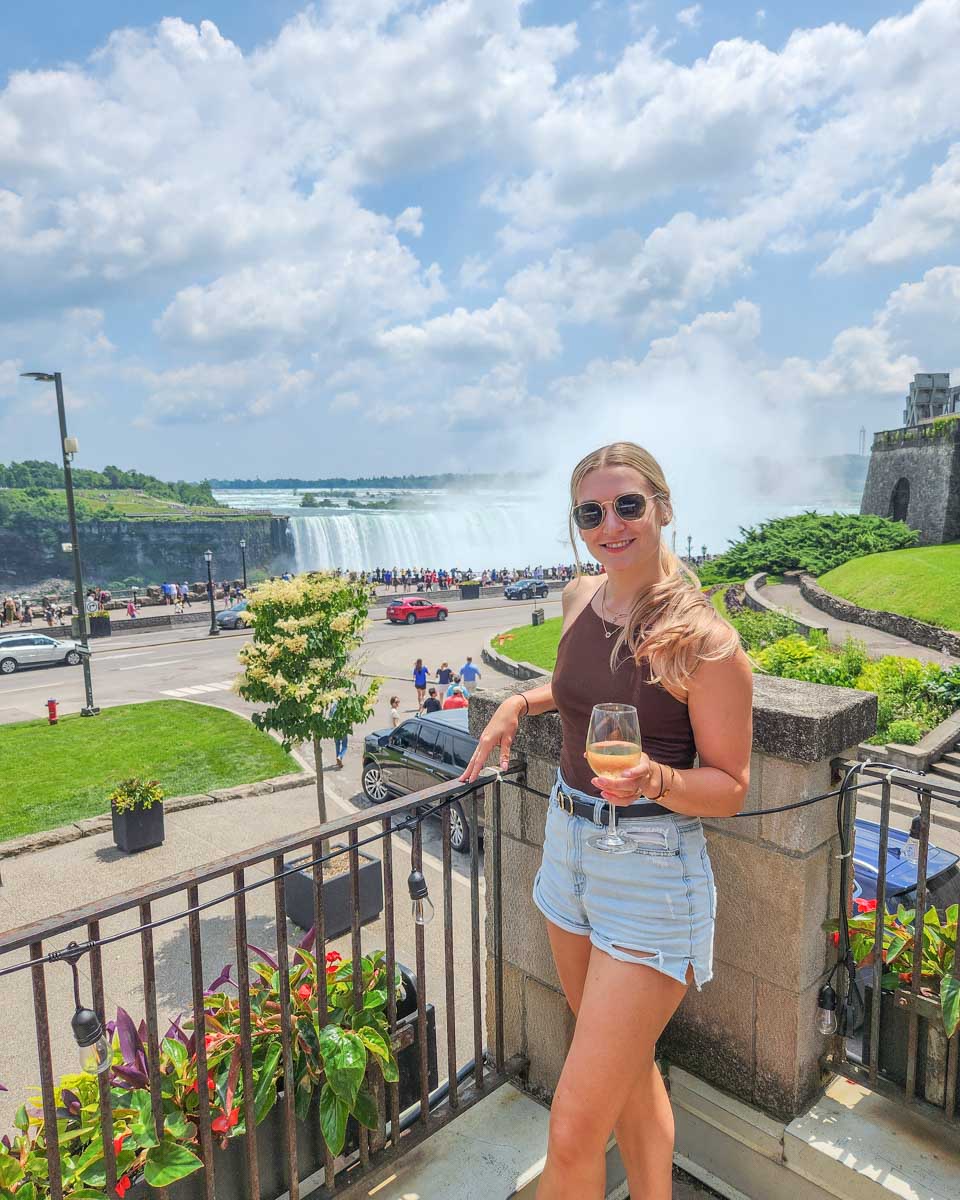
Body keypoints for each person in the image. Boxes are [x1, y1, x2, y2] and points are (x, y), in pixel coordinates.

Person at [460, 441, 752, 1200]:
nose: (611, 525)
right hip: (568, 848)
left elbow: (730, 787)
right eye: (592, 512)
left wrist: (655, 777)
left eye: (628, 505)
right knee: (627, 1076)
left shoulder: (706, 641)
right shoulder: (578, 598)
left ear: (661, 507)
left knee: (571, 1131)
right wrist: (519, 703)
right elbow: (580, 687)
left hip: (650, 871)